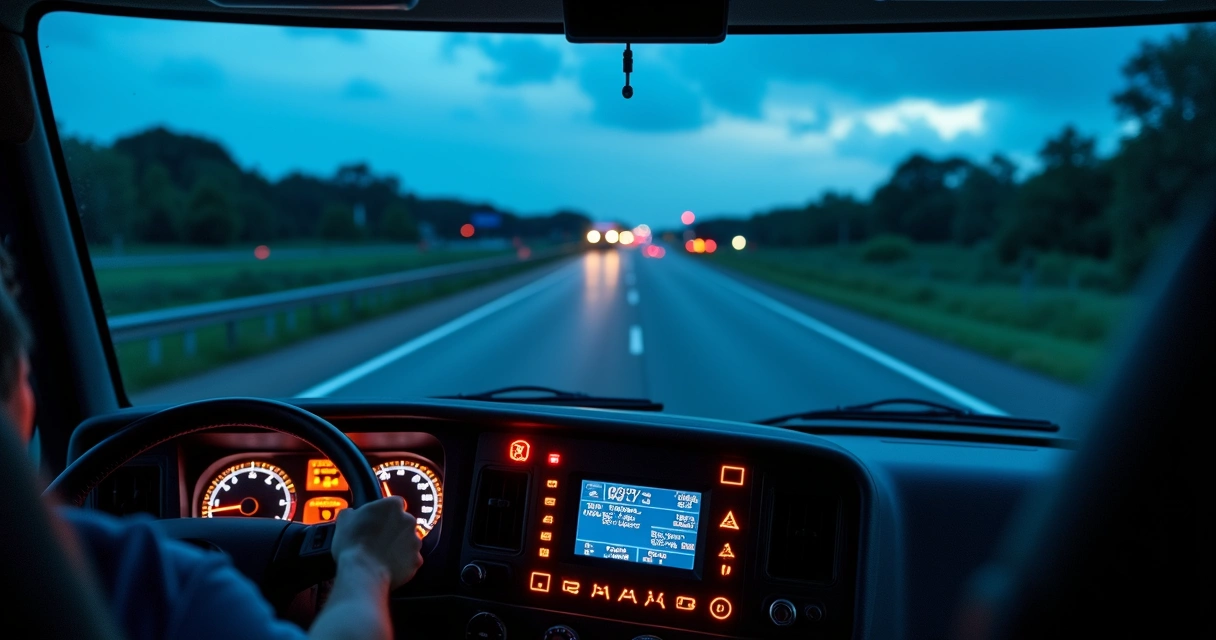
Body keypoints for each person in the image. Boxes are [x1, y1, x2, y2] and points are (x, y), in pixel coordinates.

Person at [0, 250, 423, 640]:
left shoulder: (63, 567)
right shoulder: (155, 580)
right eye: (26, 376)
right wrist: (366, 561)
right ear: (15, 398)